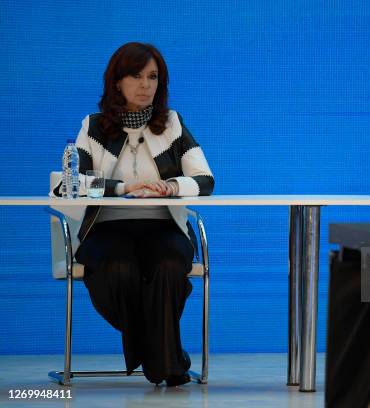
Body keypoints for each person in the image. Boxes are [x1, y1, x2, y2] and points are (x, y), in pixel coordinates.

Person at [52, 42, 214, 386]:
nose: (146, 85)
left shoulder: (171, 124)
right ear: (117, 82)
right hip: (107, 228)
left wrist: (171, 186)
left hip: (163, 226)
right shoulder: (94, 126)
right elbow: (74, 182)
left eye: (153, 77)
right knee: (120, 270)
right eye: (136, 76)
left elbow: (205, 179)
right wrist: (122, 188)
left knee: (170, 266)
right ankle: (168, 357)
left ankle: (160, 354)